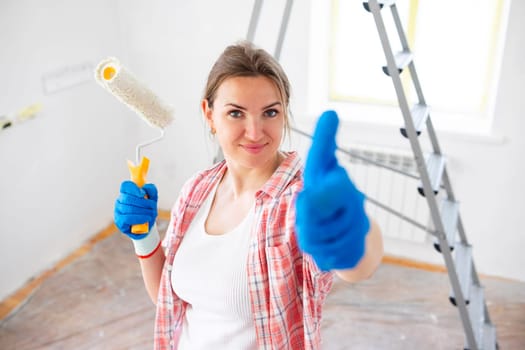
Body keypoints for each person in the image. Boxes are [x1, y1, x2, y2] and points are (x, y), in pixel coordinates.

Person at [114, 41, 383, 350]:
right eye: (236, 113)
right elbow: (169, 298)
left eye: (270, 112)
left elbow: (360, 267)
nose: (255, 132)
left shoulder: (299, 204)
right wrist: (144, 238)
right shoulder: (197, 190)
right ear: (209, 114)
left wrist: (356, 235)